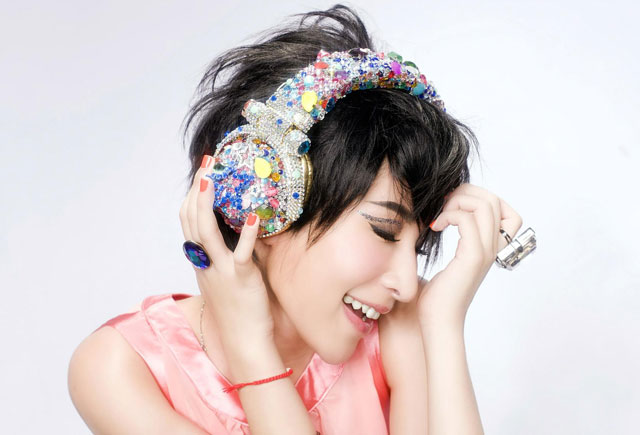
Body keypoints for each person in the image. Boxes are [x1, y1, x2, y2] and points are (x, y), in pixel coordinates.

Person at [68, 4, 528, 434]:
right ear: (260, 203)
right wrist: (250, 348)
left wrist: (444, 322)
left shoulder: (404, 324)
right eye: (385, 231)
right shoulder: (122, 366)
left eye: (417, 245)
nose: (408, 285)